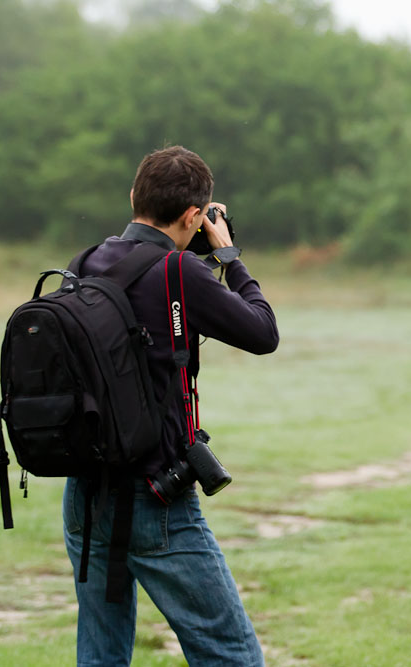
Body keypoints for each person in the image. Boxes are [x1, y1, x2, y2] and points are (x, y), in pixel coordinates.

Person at [62, 146, 277, 666]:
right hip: (156, 496)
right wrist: (227, 253)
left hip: (86, 492)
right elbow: (263, 332)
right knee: (232, 655)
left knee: (102, 654)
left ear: (134, 196)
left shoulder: (85, 262)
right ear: (193, 216)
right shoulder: (181, 271)